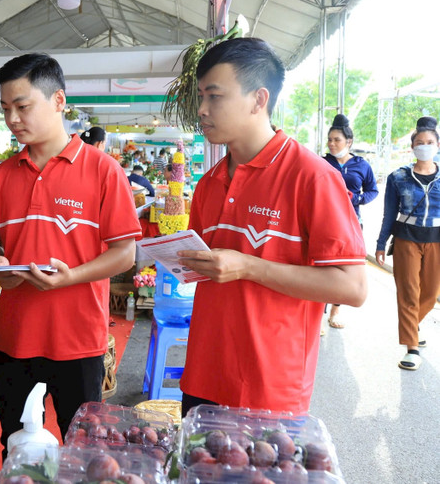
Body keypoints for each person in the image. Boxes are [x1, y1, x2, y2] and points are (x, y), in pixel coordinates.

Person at [176, 38, 367, 416]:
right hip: (203, 375)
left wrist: (249, 266)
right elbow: (206, 269)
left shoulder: (313, 178)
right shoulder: (208, 183)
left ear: (258, 100)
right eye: (201, 96)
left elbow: (353, 287)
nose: (202, 109)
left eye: (214, 96)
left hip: (269, 388)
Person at [0, 53, 141, 457]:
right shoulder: (2, 176)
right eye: (6, 109)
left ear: (58, 101)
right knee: (16, 448)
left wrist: (70, 276)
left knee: (83, 451)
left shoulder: (103, 170)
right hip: (14, 340)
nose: (13, 119)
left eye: (22, 106)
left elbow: (125, 253)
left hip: (78, 343)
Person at [375, 116, 440, 371]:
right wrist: (381, 243)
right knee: (409, 293)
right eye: (419, 142)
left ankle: (413, 324)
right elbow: (389, 213)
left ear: (437, 145)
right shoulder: (398, 177)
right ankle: (411, 347)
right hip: (406, 239)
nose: (424, 146)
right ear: (412, 147)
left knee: (431, 293)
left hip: (436, 239)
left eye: (430, 142)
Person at [322, 113, 378, 329]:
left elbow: (372, 190)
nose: (332, 144)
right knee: (319, 267)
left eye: (337, 140)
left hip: (351, 223)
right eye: (330, 140)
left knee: (344, 270)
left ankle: (335, 311)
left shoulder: (362, 165)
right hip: (324, 220)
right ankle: (316, 310)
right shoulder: (322, 161)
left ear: (349, 142)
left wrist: (358, 198)